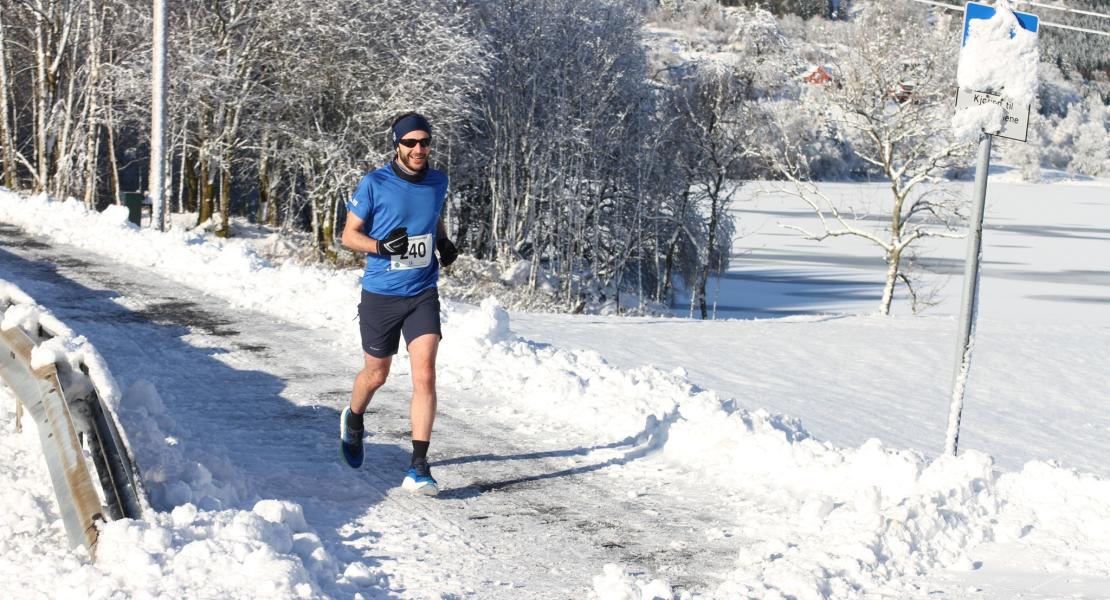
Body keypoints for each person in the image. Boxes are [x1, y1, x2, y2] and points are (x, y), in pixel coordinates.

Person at [338, 112, 459, 495]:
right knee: (376, 375)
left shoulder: (438, 181)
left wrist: (441, 241)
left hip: (422, 292)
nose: (418, 149)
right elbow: (348, 236)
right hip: (381, 295)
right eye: (410, 142)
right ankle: (354, 419)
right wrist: (379, 246)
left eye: (424, 141)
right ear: (397, 145)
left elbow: (433, 217)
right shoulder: (375, 183)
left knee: (424, 374)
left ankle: (419, 465)